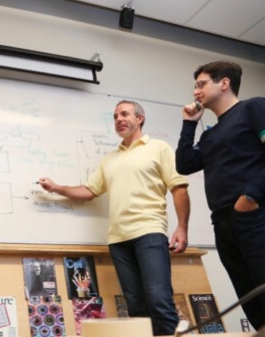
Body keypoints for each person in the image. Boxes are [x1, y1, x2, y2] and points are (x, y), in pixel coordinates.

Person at [39, 100, 190, 336]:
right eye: (115, 116)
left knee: (159, 300)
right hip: (118, 240)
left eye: (125, 114)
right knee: (135, 306)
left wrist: (182, 227)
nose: (119, 119)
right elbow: (89, 191)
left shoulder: (159, 148)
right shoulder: (110, 159)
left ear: (139, 118)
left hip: (149, 232)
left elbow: (179, 188)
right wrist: (57, 188)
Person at [176, 61, 265, 330]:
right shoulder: (211, 134)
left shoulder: (253, 108)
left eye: (201, 84)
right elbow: (184, 164)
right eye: (195, 86)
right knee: (248, 296)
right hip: (223, 224)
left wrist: (251, 195)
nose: (196, 92)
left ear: (224, 83)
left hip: (255, 216)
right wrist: (189, 124)